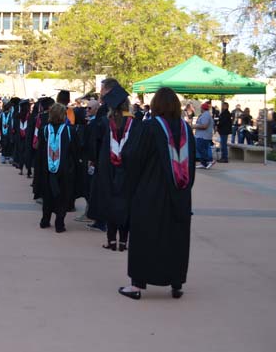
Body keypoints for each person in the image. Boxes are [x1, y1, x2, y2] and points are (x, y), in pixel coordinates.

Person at [119, 86, 195, 300]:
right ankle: (176, 283)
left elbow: (131, 156)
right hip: (179, 194)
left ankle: (137, 285)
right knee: (176, 238)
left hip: (150, 193)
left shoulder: (150, 127)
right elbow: (190, 166)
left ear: (155, 105)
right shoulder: (186, 130)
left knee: (145, 237)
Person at [88, 86, 140, 252]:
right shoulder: (135, 123)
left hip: (107, 169)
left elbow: (94, 144)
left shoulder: (104, 122)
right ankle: (124, 242)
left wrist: (94, 161)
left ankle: (111, 241)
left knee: (109, 204)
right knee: (125, 205)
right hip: (128, 169)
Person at [35, 103, 78, 233]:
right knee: (63, 196)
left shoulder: (44, 129)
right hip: (64, 169)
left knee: (47, 194)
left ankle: (45, 220)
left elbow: (40, 150)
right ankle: (59, 223)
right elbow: (75, 151)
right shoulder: (70, 130)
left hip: (47, 168)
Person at [193, 102, 215, 169]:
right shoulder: (206, 114)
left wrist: (194, 126)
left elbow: (205, 126)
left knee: (201, 148)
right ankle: (203, 163)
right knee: (203, 149)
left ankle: (210, 161)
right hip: (204, 135)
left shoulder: (205, 115)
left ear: (202, 108)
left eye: (201, 108)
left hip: (203, 136)